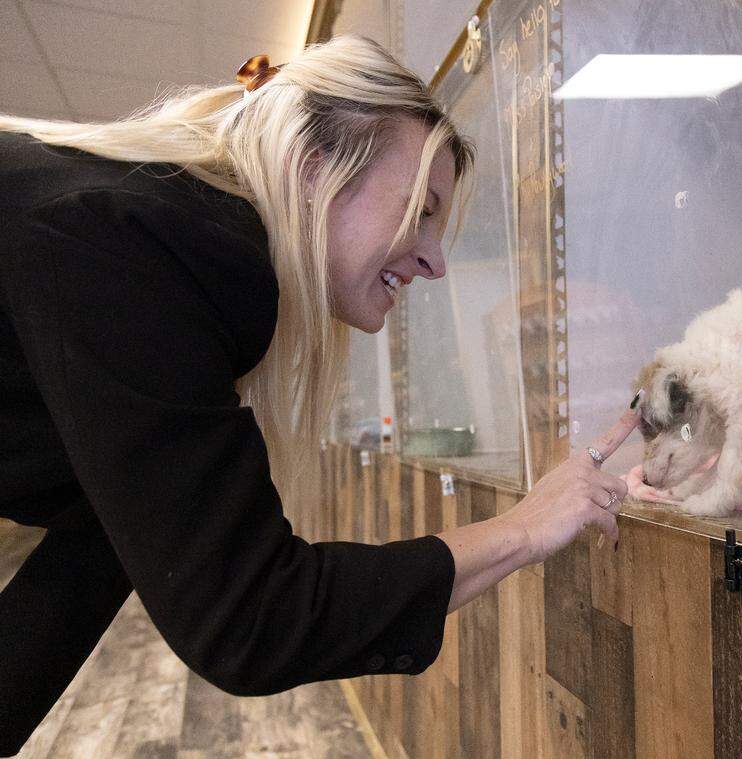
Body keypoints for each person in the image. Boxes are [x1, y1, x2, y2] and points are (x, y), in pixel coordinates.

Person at [0, 34, 639, 755]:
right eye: (422, 209)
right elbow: (250, 618)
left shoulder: (153, 248)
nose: (435, 259)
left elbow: (91, 557)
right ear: (312, 168)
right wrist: (523, 528)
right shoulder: (148, 247)